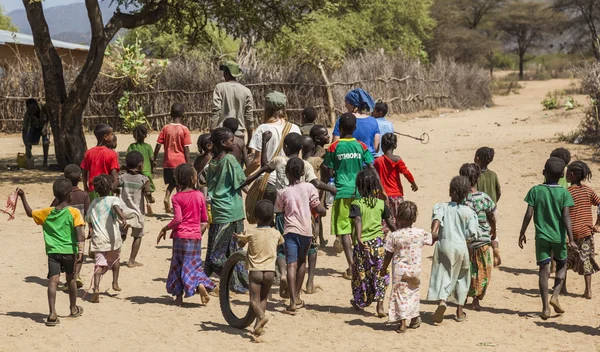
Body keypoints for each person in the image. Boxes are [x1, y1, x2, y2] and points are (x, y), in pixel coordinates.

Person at [240, 132, 335, 297]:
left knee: (281, 249)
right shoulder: (305, 165)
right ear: (301, 149)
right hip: (304, 216)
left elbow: (263, 167)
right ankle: (309, 283)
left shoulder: (278, 160)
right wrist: (331, 188)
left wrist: (246, 181)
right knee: (309, 250)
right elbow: (315, 183)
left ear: (285, 147)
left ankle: (283, 273)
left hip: (283, 215)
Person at [17, 179, 85, 326]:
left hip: (53, 252)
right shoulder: (74, 212)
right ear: (70, 196)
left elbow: (30, 213)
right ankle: (73, 308)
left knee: (53, 281)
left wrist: (23, 197)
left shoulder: (46, 212)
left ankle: (52, 313)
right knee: (71, 278)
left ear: (55, 195)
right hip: (69, 252)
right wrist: (81, 250)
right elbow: (80, 232)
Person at [519, 157, 576, 320]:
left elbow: (528, 214)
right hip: (559, 237)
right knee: (562, 265)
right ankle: (555, 295)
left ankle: (545, 308)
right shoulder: (564, 193)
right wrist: (570, 238)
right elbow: (566, 217)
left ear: (544, 173)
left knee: (543, 271)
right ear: (563, 175)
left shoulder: (535, 191)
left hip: (542, 237)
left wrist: (522, 232)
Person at [323, 113, 376, 279]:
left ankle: (351, 265)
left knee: (344, 230)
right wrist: (380, 189)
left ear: (341, 128)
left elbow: (327, 168)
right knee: (358, 229)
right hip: (359, 193)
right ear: (354, 128)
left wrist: (324, 190)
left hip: (340, 193)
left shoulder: (334, 147)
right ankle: (361, 264)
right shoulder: (361, 146)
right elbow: (371, 167)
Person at [157, 163, 214, 306]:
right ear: (193, 179)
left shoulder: (176, 197)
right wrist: (200, 230)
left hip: (179, 238)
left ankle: (178, 298)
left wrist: (165, 228)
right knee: (193, 265)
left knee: (177, 265)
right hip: (195, 238)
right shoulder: (200, 195)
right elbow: (205, 219)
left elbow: (177, 220)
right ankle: (200, 284)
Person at [275, 158, 326, 314]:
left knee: (291, 264)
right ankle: (297, 296)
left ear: (287, 173)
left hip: (290, 231)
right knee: (302, 262)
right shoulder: (309, 187)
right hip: (306, 231)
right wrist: (323, 210)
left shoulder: (283, 192)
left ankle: (291, 302)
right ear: (303, 172)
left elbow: (279, 210)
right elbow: (317, 207)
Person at [427, 176, 478, 324]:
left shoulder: (441, 206)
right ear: (465, 194)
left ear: (450, 191)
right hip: (461, 247)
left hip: (444, 244)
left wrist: (434, 232)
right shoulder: (469, 212)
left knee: (443, 274)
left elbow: (436, 221)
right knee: (462, 277)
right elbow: (472, 233)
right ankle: (460, 311)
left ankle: (442, 301)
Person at [204, 128, 249, 293]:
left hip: (218, 211)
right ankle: (235, 281)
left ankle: (234, 283)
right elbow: (242, 181)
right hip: (231, 211)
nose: (234, 142)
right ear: (223, 143)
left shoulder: (212, 162)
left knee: (218, 249)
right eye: (231, 140)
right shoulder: (230, 159)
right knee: (228, 252)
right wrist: (263, 171)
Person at [381, 201, 435, 333]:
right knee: (414, 293)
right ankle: (415, 318)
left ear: (397, 217)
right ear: (414, 219)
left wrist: (383, 269)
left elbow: (388, 254)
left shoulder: (395, 235)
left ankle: (402, 323)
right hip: (415, 270)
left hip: (400, 271)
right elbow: (432, 238)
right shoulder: (420, 233)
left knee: (400, 294)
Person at [348, 169, 396, 317]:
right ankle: (380, 306)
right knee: (381, 274)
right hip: (379, 245)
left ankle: (362, 301)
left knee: (362, 274)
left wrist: (360, 238)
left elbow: (358, 220)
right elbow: (391, 224)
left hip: (362, 246)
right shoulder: (381, 204)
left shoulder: (356, 203)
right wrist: (401, 234)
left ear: (360, 187)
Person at [235, 200, 284, 336]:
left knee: (253, 300)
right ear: (272, 218)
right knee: (263, 298)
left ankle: (262, 317)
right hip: (270, 271)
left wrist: (237, 238)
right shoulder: (276, 233)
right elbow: (280, 243)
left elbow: (240, 244)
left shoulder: (251, 232)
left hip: (255, 271)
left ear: (256, 218)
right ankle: (258, 327)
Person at [459, 163, 498, 311]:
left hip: (466, 241)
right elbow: (492, 216)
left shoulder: (462, 200)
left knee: (466, 269)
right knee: (482, 271)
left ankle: (462, 298)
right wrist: (494, 231)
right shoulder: (484, 197)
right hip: (483, 241)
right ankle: (476, 300)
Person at [86, 175, 129, 303]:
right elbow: (116, 207)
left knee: (99, 264)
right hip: (113, 238)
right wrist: (123, 218)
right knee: (116, 259)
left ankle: (96, 288)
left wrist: (90, 230)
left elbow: (88, 219)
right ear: (111, 187)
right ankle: (115, 282)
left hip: (99, 239)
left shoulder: (93, 203)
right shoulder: (113, 199)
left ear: (96, 190)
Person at [50, 164, 90, 289]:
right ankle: (76, 275)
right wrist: (92, 229)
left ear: (64, 177)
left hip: (64, 230)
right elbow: (88, 214)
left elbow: (52, 210)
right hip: (80, 230)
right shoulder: (84, 195)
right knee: (79, 252)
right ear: (80, 178)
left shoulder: (61, 196)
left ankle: (68, 277)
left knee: (68, 253)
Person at [565, 161, 600, 299]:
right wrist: (597, 224)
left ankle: (563, 287)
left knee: (564, 260)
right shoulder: (588, 190)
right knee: (586, 260)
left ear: (572, 175)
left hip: (570, 233)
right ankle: (588, 290)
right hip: (586, 232)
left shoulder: (567, 192)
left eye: (567, 172)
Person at [247, 91, 301, 178]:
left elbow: (257, 162)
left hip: (268, 179)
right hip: (288, 180)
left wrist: (244, 175)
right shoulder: (294, 128)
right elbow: (299, 158)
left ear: (267, 109)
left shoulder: (262, 128)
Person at [374, 133, 418, 233]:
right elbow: (406, 172)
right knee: (400, 220)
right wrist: (413, 183)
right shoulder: (397, 159)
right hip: (396, 195)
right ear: (395, 145)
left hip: (382, 196)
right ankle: (400, 239)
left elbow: (374, 178)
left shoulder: (377, 161)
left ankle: (382, 242)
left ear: (382, 146)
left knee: (384, 221)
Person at [153, 103, 192, 213]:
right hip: (180, 162)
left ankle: (167, 197)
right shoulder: (184, 129)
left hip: (168, 162)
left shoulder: (165, 128)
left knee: (172, 182)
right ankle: (178, 207)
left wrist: (154, 158)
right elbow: (186, 149)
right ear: (183, 115)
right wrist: (188, 165)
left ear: (170, 114)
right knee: (180, 185)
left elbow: (158, 145)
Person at [118, 151, 153, 268]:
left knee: (121, 234)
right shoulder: (144, 179)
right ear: (141, 164)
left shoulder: (122, 177)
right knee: (137, 236)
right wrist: (151, 199)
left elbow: (113, 186)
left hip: (122, 211)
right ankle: (131, 260)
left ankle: (114, 256)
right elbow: (147, 192)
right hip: (137, 213)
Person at [211, 61, 254, 141]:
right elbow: (249, 116)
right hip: (239, 135)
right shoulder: (246, 91)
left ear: (226, 73)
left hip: (222, 135)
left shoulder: (220, 88)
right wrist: (250, 140)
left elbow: (216, 111)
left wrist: (212, 132)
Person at [332, 88, 380, 157]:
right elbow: (376, 147)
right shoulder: (373, 121)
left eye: (346, 103)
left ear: (352, 104)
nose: (345, 105)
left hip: (348, 162)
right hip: (368, 163)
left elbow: (335, 145)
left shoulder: (343, 119)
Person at [81, 124, 120, 200]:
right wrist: (115, 188)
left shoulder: (89, 153)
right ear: (105, 137)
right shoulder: (112, 154)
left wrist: (86, 187)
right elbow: (114, 174)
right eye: (111, 135)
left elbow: (84, 172)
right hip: (107, 191)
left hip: (93, 190)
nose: (113, 137)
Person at [127, 124, 156, 215]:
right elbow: (152, 159)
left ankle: (138, 207)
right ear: (145, 135)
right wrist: (153, 167)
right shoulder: (148, 147)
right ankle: (148, 202)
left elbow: (128, 158)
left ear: (134, 136)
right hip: (146, 172)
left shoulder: (131, 146)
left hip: (135, 172)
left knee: (138, 190)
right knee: (147, 189)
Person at [22, 98, 50, 168]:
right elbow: (24, 131)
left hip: (45, 125)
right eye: (30, 109)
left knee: (45, 141)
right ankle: (29, 159)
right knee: (28, 141)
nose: (33, 110)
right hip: (35, 127)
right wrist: (27, 147)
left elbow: (50, 117)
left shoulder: (44, 106)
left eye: (34, 107)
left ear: (36, 105)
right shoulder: (27, 114)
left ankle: (45, 161)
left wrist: (46, 126)